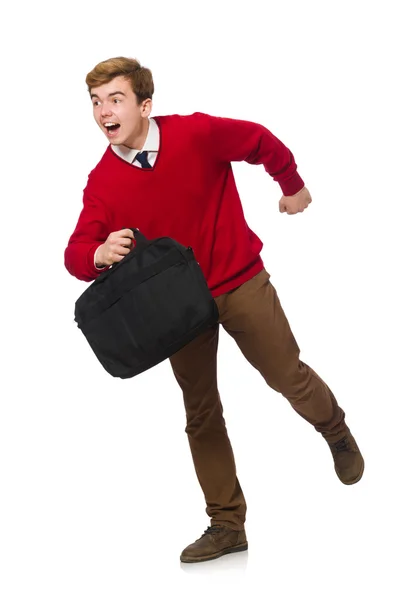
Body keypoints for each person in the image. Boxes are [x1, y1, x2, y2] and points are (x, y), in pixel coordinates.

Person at [64, 56, 364, 564]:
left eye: (115, 99)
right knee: (201, 414)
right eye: (95, 102)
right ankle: (227, 524)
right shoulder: (102, 183)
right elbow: (75, 250)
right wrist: (96, 254)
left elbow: (258, 140)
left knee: (287, 375)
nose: (103, 112)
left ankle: (334, 428)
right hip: (178, 310)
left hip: (238, 278)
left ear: (144, 104)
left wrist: (291, 186)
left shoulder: (196, 134)